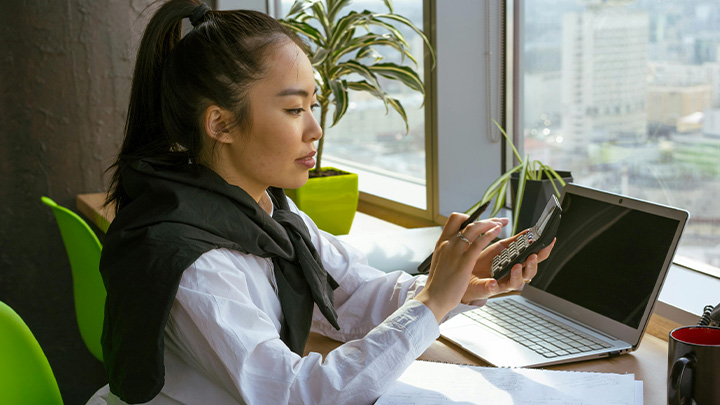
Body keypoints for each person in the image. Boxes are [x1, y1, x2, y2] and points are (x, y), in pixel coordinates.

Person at [87, 1, 555, 404]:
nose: (315, 129)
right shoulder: (194, 262)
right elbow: (299, 395)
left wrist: (454, 286)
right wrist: (431, 302)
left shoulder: (267, 213)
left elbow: (351, 294)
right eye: (294, 109)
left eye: (313, 105)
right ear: (221, 124)